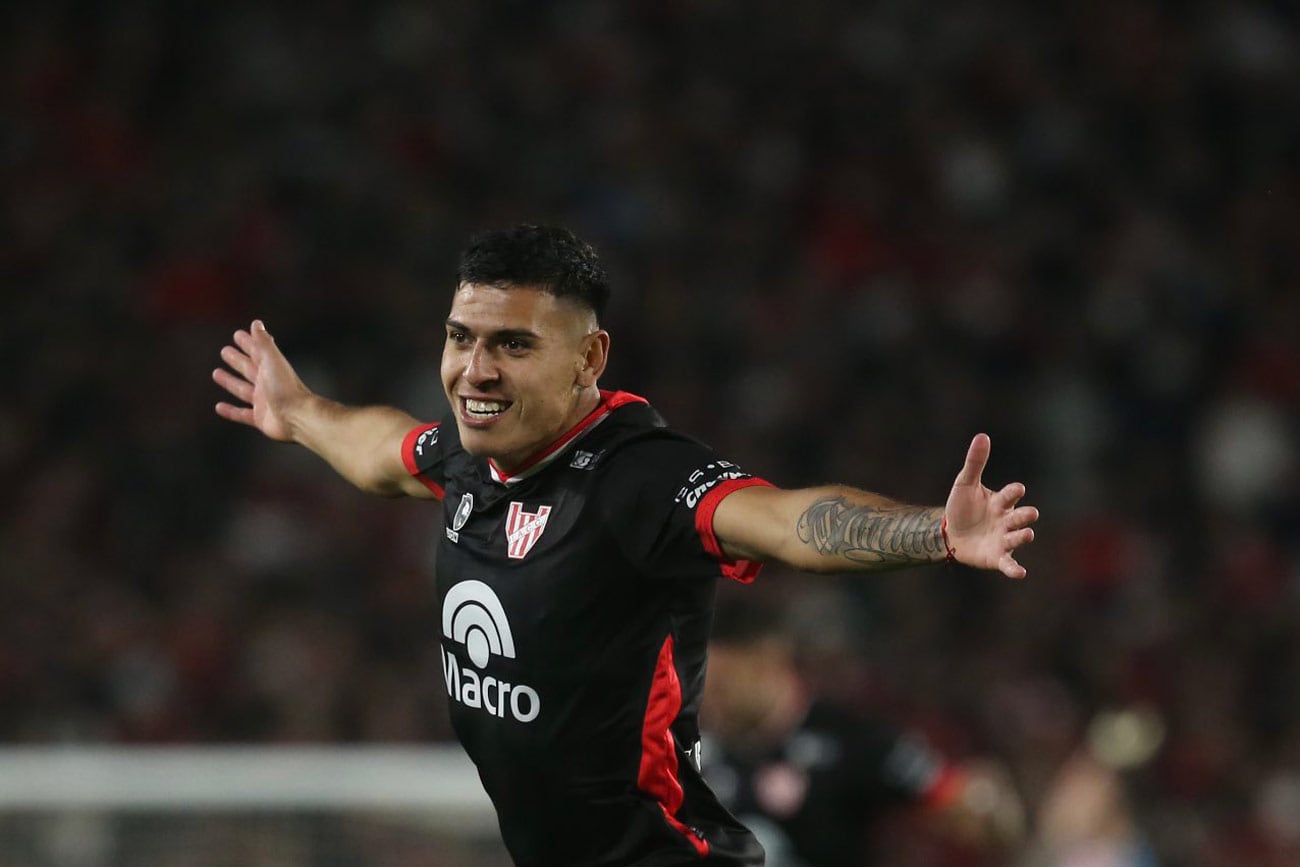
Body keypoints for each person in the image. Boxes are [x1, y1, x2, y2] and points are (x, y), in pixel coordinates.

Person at [212, 224, 1039, 867]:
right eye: (462, 337)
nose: (476, 369)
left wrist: (934, 530)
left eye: (514, 344)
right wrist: (300, 414)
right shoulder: (477, 458)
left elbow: (785, 519)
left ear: (588, 359)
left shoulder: (634, 478)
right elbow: (381, 453)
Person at [701, 595, 1026, 867]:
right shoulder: (698, 755)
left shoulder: (851, 738)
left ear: (768, 659)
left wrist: (985, 806)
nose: (710, 699)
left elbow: (965, 803)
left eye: (723, 685)